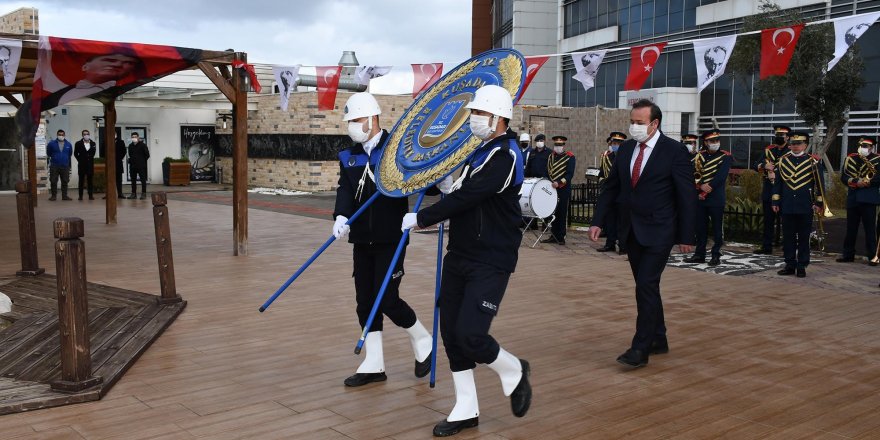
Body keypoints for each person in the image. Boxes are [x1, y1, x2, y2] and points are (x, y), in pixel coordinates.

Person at [401, 85, 531, 436]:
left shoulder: (507, 156)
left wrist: (424, 218)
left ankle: (513, 369)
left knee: (472, 334)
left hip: (491, 259)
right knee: (451, 332)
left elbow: (473, 195)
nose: (473, 119)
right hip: (460, 253)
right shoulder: (477, 152)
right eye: (472, 113)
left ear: (498, 118)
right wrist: (440, 182)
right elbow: (455, 187)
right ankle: (466, 407)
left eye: (479, 114)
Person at [332, 92, 433, 388]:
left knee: (386, 299)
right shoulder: (349, 156)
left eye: (358, 120)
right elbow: (345, 191)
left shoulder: (396, 150)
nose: (352, 126)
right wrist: (340, 216)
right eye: (349, 121)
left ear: (373, 119)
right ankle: (374, 364)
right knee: (365, 301)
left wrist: (440, 181)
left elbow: (422, 181)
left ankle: (422, 338)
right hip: (362, 238)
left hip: (392, 237)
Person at [588, 99, 696, 368]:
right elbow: (612, 187)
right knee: (646, 286)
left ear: (654, 123)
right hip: (631, 230)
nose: (634, 127)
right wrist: (598, 220)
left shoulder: (674, 151)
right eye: (632, 122)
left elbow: (686, 196)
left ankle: (641, 348)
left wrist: (687, 236)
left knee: (646, 285)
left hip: (660, 229)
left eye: (639, 123)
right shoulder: (625, 149)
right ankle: (658, 337)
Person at [772, 131, 824, 278]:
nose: (795, 146)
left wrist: (818, 202)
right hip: (787, 204)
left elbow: (820, 185)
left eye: (799, 144)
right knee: (788, 237)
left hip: (805, 205)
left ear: (805, 145)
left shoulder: (813, 162)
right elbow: (778, 184)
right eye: (793, 144)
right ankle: (789, 264)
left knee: (803, 237)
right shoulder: (782, 161)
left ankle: (802, 265)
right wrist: (776, 200)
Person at [684, 129, 731, 266]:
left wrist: (706, 189)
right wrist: (699, 188)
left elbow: (721, 177)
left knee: (717, 230)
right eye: (712, 141)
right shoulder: (699, 156)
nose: (715, 143)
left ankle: (715, 255)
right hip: (699, 198)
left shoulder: (725, 156)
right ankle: (699, 254)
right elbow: (691, 174)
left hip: (715, 198)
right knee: (700, 229)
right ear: (705, 142)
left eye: (717, 140)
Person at [837, 137, 880, 264]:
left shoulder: (877, 159)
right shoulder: (851, 158)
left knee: (870, 229)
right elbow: (844, 177)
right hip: (853, 197)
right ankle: (848, 255)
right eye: (862, 145)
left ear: (872, 148)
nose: (864, 148)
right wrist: (856, 181)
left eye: (867, 146)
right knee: (851, 228)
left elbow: (878, 179)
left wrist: (867, 182)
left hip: (869, 198)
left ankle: (873, 256)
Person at [754, 125, 791, 254]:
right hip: (769, 189)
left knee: (786, 222)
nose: (779, 137)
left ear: (788, 137)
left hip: (784, 190)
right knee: (768, 220)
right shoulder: (769, 150)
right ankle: (766, 247)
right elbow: (755, 165)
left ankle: (787, 248)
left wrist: (776, 172)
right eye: (777, 135)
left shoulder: (791, 151)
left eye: (782, 135)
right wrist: (765, 165)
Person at [541, 135, 576, 245]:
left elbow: (569, 174)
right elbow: (547, 171)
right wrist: (547, 181)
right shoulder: (551, 156)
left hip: (563, 189)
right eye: (556, 144)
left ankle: (561, 237)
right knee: (552, 212)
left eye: (560, 145)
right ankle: (553, 235)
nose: (558, 146)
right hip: (551, 188)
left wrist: (559, 182)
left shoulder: (570, 157)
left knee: (561, 212)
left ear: (563, 145)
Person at [596, 131, 627, 253]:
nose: (615, 145)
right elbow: (601, 172)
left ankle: (623, 245)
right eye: (614, 142)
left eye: (618, 143)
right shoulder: (605, 157)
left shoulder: (626, 157)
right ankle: (610, 243)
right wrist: (602, 181)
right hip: (609, 192)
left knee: (622, 220)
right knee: (610, 219)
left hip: (622, 192)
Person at [46, 129, 73, 201]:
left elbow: (69, 154)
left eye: (62, 135)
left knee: (65, 181)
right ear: (57, 135)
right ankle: (53, 196)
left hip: (65, 165)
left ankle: (64, 196)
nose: (61, 136)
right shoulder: (51, 143)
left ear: (64, 135)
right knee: (53, 181)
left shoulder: (68, 144)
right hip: (54, 165)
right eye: (59, 134)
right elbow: (48, 153)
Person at [73, 129, 97, 200]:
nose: (86, 135)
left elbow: (93, 153)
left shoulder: (93, 143)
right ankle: (80, 196)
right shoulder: (78, 143)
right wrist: (80, 160)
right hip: (82, 165)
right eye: (84, 134)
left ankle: (90, 195)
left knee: (90, 181)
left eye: (87, 134)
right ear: (82, 135)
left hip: (90, 164)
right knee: (81, 181)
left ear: (89, 135)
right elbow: (75, 153)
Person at [127, 132, 150, 199]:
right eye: (133, 137)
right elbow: (130, 154)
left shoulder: (143, 145)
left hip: (141, 166)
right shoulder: (130, 146)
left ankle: (143, 193)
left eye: (135, 136)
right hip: (133, 166)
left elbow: (147, 155)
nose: (134, 138)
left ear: (138, 137)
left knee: (143, 180)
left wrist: (142, 161)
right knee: (133, 180)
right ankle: (133, 194)